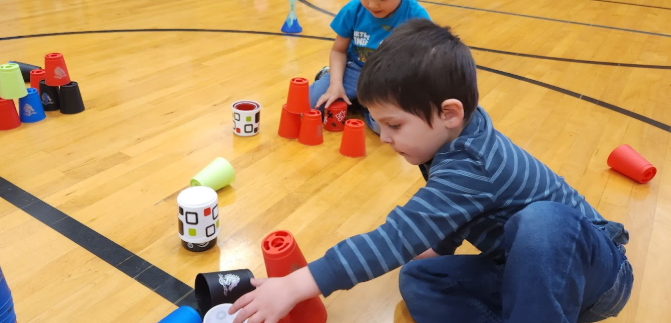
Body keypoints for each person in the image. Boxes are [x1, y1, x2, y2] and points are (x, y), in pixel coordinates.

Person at [229, 19, 633, 323]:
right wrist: (434, 249)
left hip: (599, 273)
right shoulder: (449, 136)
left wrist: (296, 284)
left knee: (543, 220)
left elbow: (398, 234)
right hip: (520, 274)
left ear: (449, 113)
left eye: (393, 125)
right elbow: (456, 212)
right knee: (420, 278)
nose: (383, 138)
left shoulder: (475, 162)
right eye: (378, 123)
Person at [309, 0, 430, 133]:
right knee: (312, 105)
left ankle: (362, 104)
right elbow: (338, 51)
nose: (372, 4)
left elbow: (421, 66)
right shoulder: (353, 9)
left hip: (390, 81)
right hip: (355, 70)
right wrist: (335, 84)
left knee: (385, 128)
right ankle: (335, 80)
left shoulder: (417, 17)